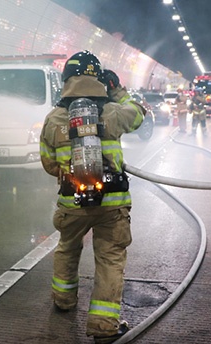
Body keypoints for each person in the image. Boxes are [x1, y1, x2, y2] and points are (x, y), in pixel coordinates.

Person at [39, 50, 146, 344]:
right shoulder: (113, 112)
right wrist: (118, 91)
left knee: (68, 247)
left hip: (72, 202)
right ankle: (103, 326)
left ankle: (63, 300)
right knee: (110, 259)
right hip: (112, 205)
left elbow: (49, 165)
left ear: (66, 80)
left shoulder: (54, 119)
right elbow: (139, 113)